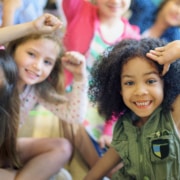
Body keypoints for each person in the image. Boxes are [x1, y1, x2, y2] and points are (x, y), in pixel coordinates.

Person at [0, 14, 88, 180]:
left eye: (47, 62)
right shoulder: (1, 76)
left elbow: (75, 117)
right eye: (31, 54)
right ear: (13, 49)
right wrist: (31, 27)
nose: (37, 66)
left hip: (5, 149)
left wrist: (80, 77)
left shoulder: (35, 91)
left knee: (62, 147)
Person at [84, 38, 180, 179]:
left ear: (165, 84)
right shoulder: (124, 128)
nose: (140, 91)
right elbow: (95, 173)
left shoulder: (174, 114)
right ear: (119, 90)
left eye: (151, 81)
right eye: (129, 83)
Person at [62, 0, 140, 169]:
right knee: (75, 126)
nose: (115, 1)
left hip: (105, 107)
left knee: (109, 146)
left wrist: (109, 128)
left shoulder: (132, 39)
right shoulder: (80, 9)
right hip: (70, 94)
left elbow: (122, 90)